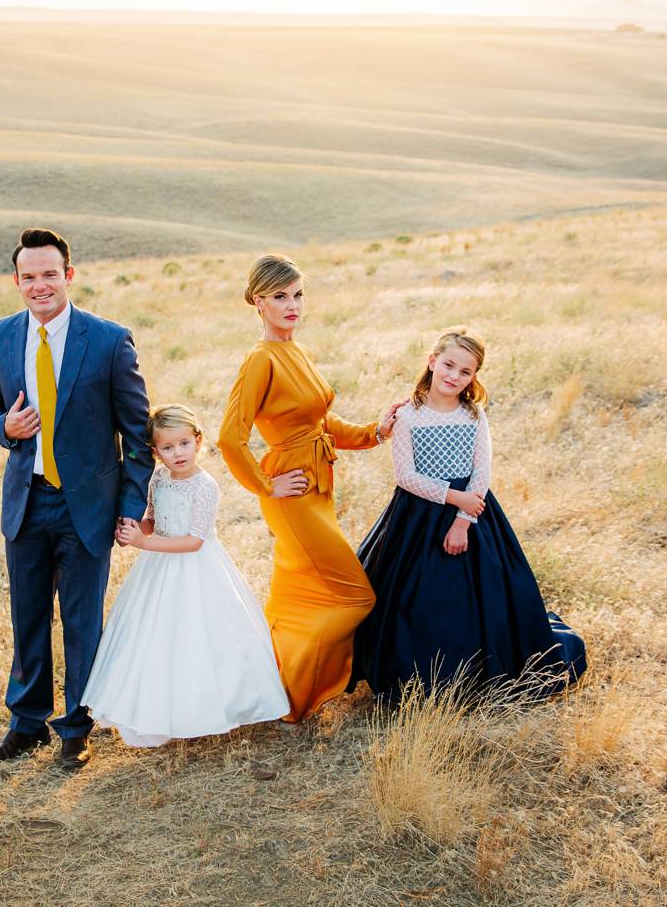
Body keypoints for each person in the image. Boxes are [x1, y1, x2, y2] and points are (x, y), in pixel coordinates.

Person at [0, 227, 152, 771]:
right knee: (27, 618)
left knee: (81, 620)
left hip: (88, 507)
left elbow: (137, 432)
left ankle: (76, 726)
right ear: (17, 281)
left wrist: (129, 504)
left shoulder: (108, 339)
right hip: (27, 502)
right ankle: (26, 725)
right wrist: (5, 426)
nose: (40, 285)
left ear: (68, 275)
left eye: (50, 274)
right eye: (29, 277)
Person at [352, 326, 586, 700]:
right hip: (418, 515)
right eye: (448, 365)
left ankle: (482, 672)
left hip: (473, 514)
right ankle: (418, 676)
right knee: (416, 598)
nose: (453, 376)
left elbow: (482, 473)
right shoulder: (409, 416)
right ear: (432, 361)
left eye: (465, 372)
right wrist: (453, 498)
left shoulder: (473, 415)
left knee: (488, 596)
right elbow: (406, 476)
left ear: (474, 377)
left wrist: (464, 518)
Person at [217, 254, 403, 722]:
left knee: (298, 596)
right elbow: (229, 437)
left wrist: (374, 432)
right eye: (280, 297)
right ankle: (292, 694)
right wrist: (266, 486)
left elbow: (321, 422)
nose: (292, 305)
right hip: (292, 493)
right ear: (259, 302)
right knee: (353, 596)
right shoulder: (260, 359)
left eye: (298, 295)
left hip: (319, 487)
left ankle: (267, 682)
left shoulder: (296, 350)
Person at [81, 404, 290, 746]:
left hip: (196, 568)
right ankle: (159, 711)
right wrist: (137, 528)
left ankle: (214, 704)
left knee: (200, 638)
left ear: (198, 441)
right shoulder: (159, 478)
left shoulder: (204, 486)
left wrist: (144, 543)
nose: (177, 453)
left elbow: (194, 541)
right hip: (158, 569)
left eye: (184, 444)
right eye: (167, 447)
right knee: (155, 637)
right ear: (155, 452)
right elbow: (153, 516)